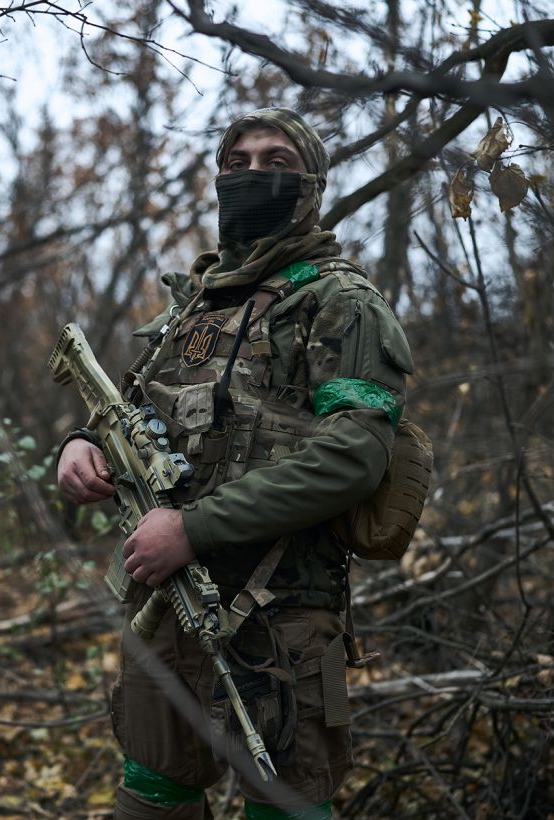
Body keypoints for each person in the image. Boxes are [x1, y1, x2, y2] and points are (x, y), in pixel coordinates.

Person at [57, 108, 413, 820]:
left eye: (276, 162)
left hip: (281, 617)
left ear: (311, 184)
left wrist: (194, 528)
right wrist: (80, 448)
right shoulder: (192, 311)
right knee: (152, 794)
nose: (253, 174)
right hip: (167, 605)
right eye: (238, 162)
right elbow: (129, 419)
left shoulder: (341, 303)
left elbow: (353, 459)